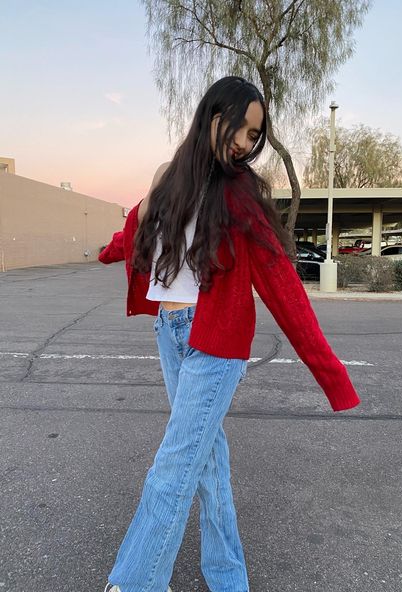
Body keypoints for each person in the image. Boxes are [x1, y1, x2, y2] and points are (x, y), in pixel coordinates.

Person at [99, 75, 361, 592]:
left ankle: (133, 584)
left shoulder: (240, 194)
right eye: (239, 127)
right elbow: (136, 229)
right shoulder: (166, 176)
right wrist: (109, 252)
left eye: (254, 135)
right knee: (206, 461)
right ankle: (227, 577)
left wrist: (332, 375)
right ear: (212, 114)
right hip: (171, 332)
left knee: (173, 469)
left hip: (215, 346)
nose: (245, 142)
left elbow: (284, 288)